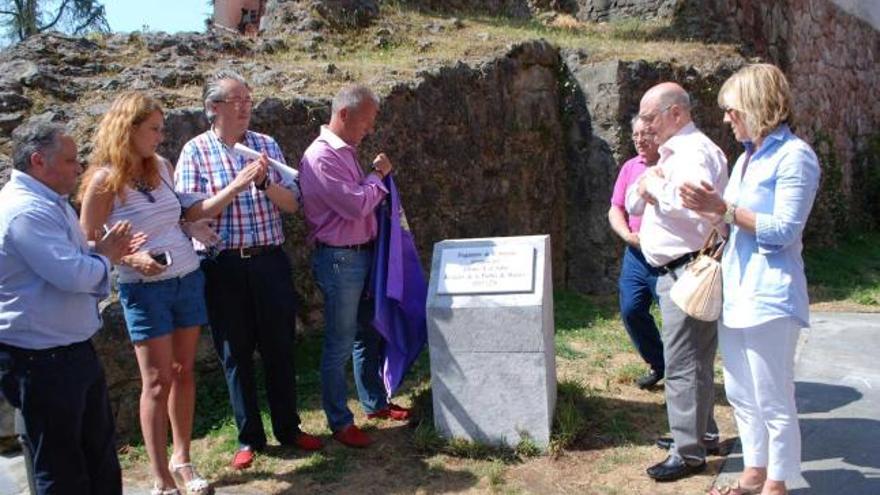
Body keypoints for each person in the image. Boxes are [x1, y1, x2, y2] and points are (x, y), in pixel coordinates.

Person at [78, 92, 263, 494]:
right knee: (157, 382)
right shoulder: (103, 180)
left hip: (186, 278)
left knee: (183, 373)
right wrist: (132, 260)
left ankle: (183, 459)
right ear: (128, 129)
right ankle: (161, 479)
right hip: (145, 291)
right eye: (154, 129)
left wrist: (190, 227)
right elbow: (86, 244)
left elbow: (176, 214)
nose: (161, 137)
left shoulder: (161, 166)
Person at [681, 64, 820, 495]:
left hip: (771, 294)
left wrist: (723, 209)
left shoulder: (796, 156)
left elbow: (784, 230)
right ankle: (753, 473)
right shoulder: (747, 158)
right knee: (741, 394)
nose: (726, 117)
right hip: (738, 291)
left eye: (731, 109)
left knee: (774, 398)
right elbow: (733, 226)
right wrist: (707, 210)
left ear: (758, 105)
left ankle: (777, 484)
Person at [175, 70, 321, 470]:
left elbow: (292, 204)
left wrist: (261, 185)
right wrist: (236, 186)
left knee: (280, 346)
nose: (245, 108)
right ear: (213, 108)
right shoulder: (195, 151)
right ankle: (248, 437)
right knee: (235, 352)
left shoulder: (265, 145)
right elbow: (190, 212)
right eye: (236, 101)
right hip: (224, 265)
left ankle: (288, 428)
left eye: (248, 101)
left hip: (269, 259)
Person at [0, 123, 136, 494]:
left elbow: (74, 263)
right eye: (71, 160)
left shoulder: (47, 201)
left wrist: (98, 253)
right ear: (38, 161)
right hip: (40, 359)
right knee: (62, 468)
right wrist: (106, 256)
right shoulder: (24, 211)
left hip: (68, 352)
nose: (79, 168)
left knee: (98, 456)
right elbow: (73, 276)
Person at [299, 84, 411, 449]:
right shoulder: (321, 157)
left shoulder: (345, 151)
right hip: (340, 260)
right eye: (366, 120)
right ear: (344, 114)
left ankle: (374, 404)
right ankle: (339, 421)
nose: (370, 129)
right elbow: (356, 205)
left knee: (368, 333)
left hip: (358, 256)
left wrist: (371, 182)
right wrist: (377, 177)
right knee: (340, 342)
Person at [626, 82, 727, 482]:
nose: (646, 127)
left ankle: (688, 453)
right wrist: (651, 186)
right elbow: (635, 198)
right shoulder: (679, 153)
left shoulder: (692, 153)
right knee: (696, 360)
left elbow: (696, 208)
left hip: (685, 268)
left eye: (650, 117)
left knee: (684, 363)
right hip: (682, 267)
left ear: (676, 114)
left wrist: (655, 187)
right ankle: (701, 434)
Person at [608, 117, 665, 389]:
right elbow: (616, 207)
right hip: (636, 255)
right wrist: (625, 235)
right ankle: (659, 362)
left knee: (675, 318)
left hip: (667, 257)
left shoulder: (672, 165)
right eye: (635, 135)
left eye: (646, 134)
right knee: (631, 310)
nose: (640, 140)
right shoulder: (631, 167)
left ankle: (680, 372)